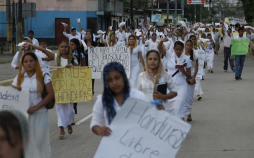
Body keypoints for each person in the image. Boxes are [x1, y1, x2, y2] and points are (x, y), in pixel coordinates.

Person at [90, 62, 164, 136]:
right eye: (110, 80)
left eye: (117, 78)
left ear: (124, 77)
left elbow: (149, 120)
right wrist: (98, 129)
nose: (114, 83)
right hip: (112, 144)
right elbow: (95, 124)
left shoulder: (137, 97)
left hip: (136, 143)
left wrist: (159, 111)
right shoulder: (102, 100)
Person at [12, 52, 54, 158]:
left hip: (40, 113)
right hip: (24, 115)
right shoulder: (18, 78)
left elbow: (50, 94)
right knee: (27, 142)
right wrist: (17, 90)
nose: (28, 63)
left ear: (36, 62)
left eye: (31, 61)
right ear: (22, 64)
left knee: (40, 142)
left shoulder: (43, 75)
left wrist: (37, 107)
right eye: (25, 61)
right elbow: (12, 95)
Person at [158, 39, 191, 120]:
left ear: (183, 49)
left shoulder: (187, 59)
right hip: (170, 86)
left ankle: (178, 128)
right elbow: (159, 48)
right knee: (170, 109)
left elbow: (189, 75)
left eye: (180, 49)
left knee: (178, 108)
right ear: (174, 49)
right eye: (177, 49)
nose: (178, 51)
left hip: (181, 86)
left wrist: (183, 71)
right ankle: (172, 127)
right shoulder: (169, 55)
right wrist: (162, 41)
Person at [182, 39, 199, 121]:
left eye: (190, 45)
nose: (188, 47)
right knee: (182, 97)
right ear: (185, 46)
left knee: (189, 98)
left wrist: (193, 78)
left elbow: (196, 67)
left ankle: (188, 113)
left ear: (192, 47)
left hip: (190, 78)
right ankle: (182, 115)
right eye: (187, 45)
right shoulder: (181, 55)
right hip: (182, 78)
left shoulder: (194, 56)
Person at [190, 35, 204, 101]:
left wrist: (204, 63)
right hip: (190, 68)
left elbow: (202, 56)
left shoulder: (199, 47)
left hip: (197, 67)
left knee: (197, 80)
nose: (193, 41)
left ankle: (198, 94)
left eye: (194, 39)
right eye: (192, 39)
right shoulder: (188, 48)